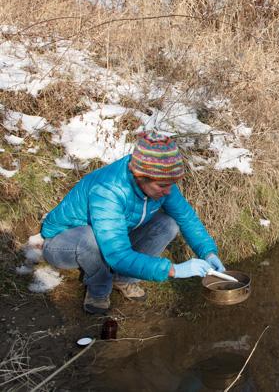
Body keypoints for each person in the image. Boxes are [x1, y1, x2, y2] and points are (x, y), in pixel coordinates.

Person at [41, 131, 227, 314]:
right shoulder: (109, 189)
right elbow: (118, 255)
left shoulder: (161, 181)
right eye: (162, 186)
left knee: (168, 224)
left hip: (108, 234)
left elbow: (187, 218)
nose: (168, 191)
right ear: (140, 176)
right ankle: (99, 289)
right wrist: (174, 270)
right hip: (63, 243)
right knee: (90, 239)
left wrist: (208, 253)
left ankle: (123, 279)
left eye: (172, 184)